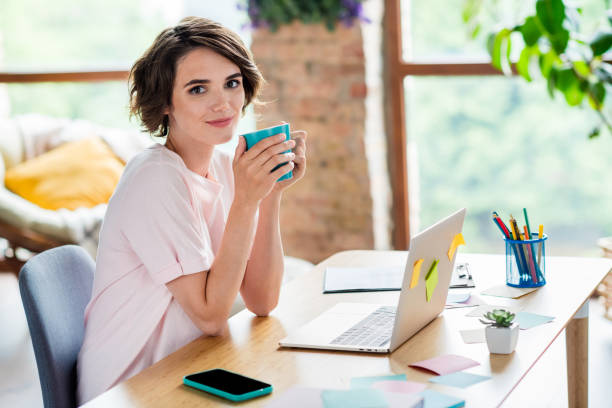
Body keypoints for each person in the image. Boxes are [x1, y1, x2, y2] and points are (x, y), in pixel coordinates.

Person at [76, 16, 307, 404]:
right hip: (131, 388)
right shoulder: (155, 179)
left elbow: (262, 300)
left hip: (193, 368)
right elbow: (210, 315)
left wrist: (269, 193)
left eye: (232, 83)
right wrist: (247, 200)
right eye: (198, 89)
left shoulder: (222, 165)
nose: (223, 103)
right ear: (165, 103)